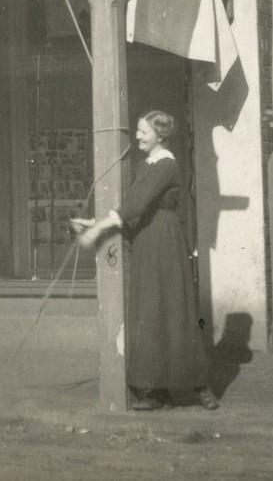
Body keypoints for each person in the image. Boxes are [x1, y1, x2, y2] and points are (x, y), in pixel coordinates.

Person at [72, 111, 218, 411]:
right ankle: (156, 390)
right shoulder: (145, 165)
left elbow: (138, 203)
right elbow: (131, 208)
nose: (137, 136)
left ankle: (200, 384)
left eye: (143, 132)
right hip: (145, 240)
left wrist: (100, 228)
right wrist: (94, 222)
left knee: (175, 309)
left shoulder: (167, 164)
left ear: (160, 135)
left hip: (165, 241)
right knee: (149, 312)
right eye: (138, 131)